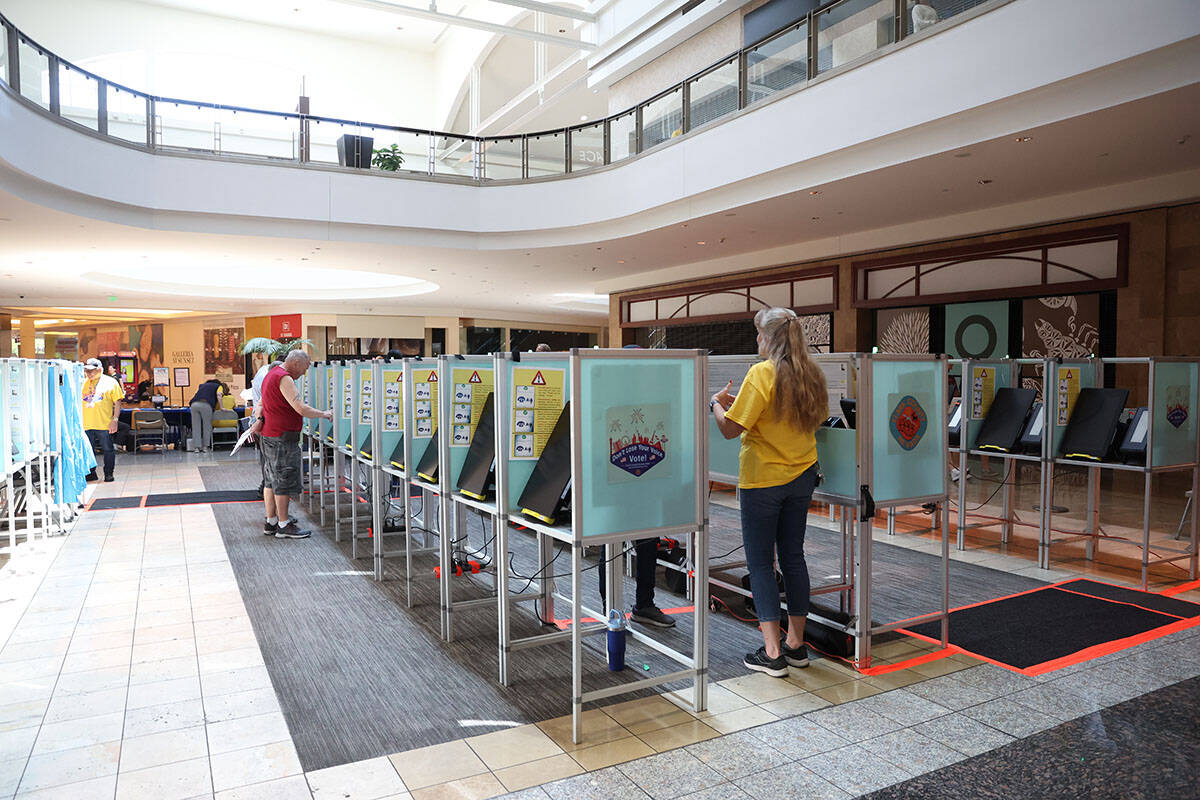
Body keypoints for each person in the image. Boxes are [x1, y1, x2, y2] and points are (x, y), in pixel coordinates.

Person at [711, 307, 827, 677]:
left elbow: (730, 429)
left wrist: (715, 403)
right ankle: (796, 646)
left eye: (759, 335)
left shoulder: (762, 373)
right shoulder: (811, 373)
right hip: (803, 474)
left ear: (770, 338)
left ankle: (772, 652)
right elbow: (815, 419)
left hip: (764, 480)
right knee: (793, 558)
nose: (757, 341)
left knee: (761, 564)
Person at [250, 350, 332, 539]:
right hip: (282, 438)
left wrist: (260, 419)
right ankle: (284, 525)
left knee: (270, 480)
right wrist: (324, 414)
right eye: (305, 367)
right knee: (283, 480)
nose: (304, 372)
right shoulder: (284, 378)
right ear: (295, 362)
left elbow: (261, 403)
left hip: (270, 435)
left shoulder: (272, 373)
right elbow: (300, 408)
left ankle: (271, 522)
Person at [81, 357, 122, 482]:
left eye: (91, 371)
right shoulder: (83, 382)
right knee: (88, 450)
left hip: (104, 424)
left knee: (108, 450)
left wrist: (115, 420)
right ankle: (90, 473)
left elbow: (118, 402)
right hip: (86, 424)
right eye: (87, 370)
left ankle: (108, 473)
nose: (88, 373)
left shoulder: (111, 382)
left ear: (99, 370)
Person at [250, 359, 284, 498]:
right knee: (273, 468)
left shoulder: (263, 372)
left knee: (267, 463)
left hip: (261, 424)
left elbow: (260, 404)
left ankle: (272, 514)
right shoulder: (273, 379)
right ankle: (279, 515)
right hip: (268, 426)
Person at [188, 377, 224, 452]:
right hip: (206, 405)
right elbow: (219, 395)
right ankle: (205, 447)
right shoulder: (218, 386)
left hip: (194, 405)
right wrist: (221, 407)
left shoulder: (202, 385)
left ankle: (196, 448)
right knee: (207, 426)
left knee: (196, 427)